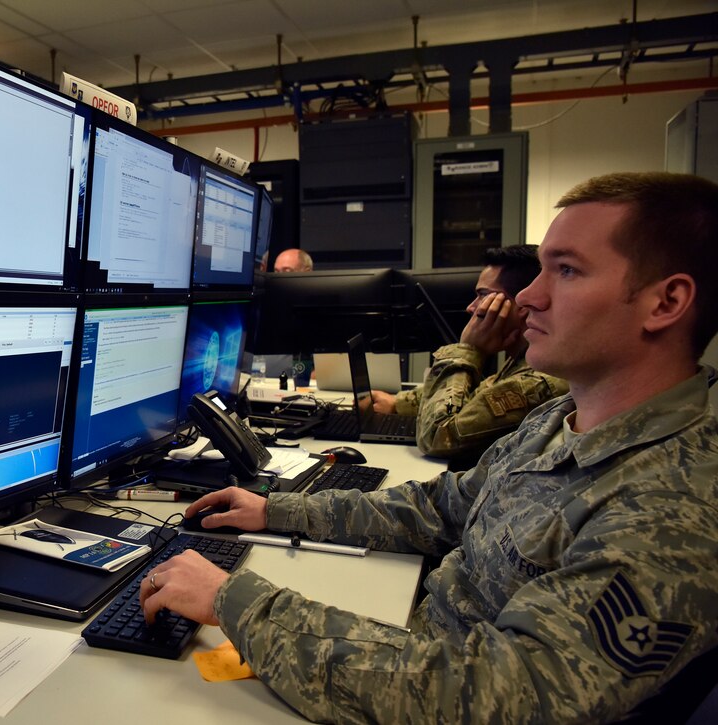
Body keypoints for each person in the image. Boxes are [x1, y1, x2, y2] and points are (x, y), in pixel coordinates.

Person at [140, 172, 718, 723]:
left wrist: (236, 601)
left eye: (566, 271)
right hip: (417, 649)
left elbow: (495, 695)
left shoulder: (672, 509)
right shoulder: (559, 420)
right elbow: (441, 507)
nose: (529, 297)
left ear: (665, 303)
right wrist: (276, 510)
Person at [371, 245, 569, 462]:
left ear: (522, 303)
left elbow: (436, 436)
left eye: (483, 295)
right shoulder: (522, 360)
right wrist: (396, 403)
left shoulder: (539, 379)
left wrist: (466, 351)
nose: (471, 307)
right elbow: (475, 396)